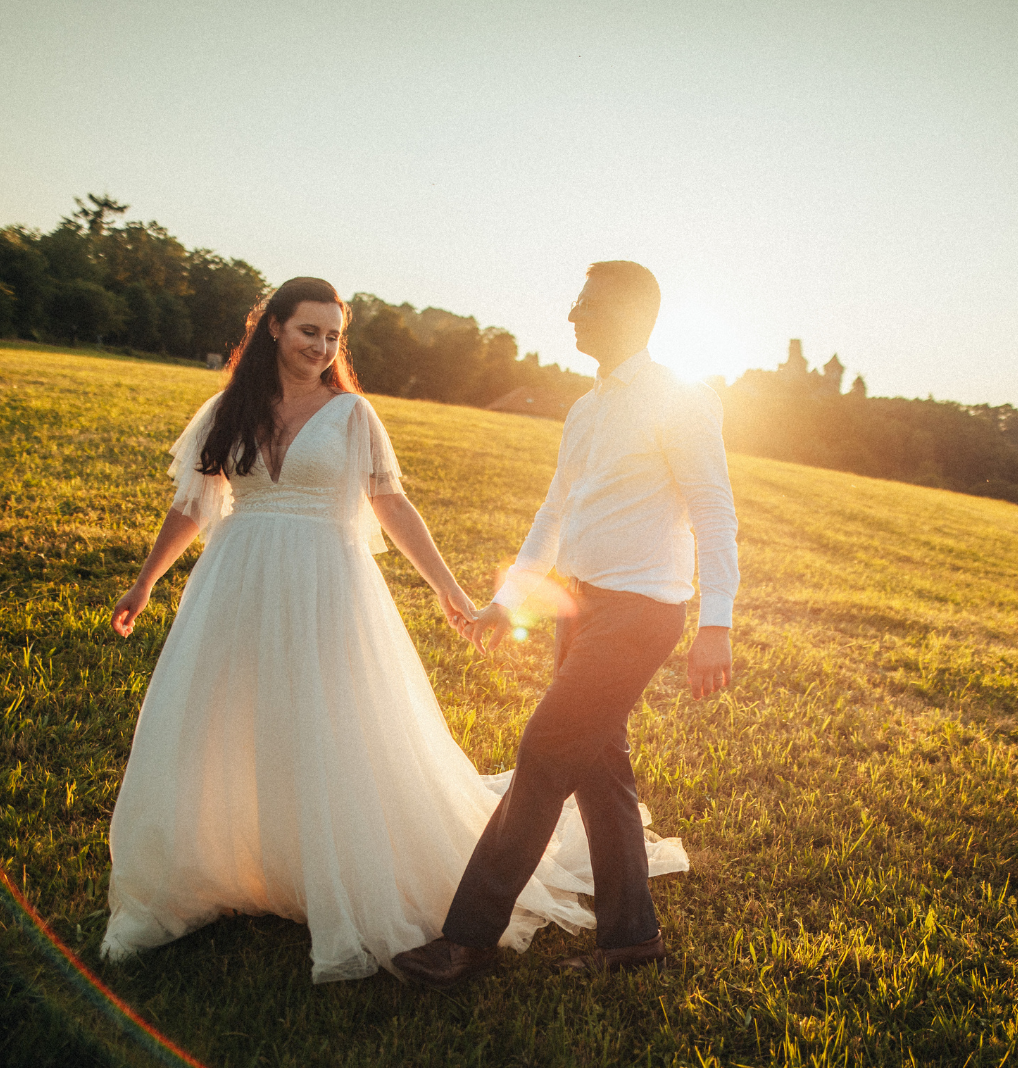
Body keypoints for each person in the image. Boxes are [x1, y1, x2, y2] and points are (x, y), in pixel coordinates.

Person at [101, 276, 688, 983]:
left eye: (333, 336)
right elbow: (193, 504)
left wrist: (454, 593)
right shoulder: (228, 410)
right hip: (236, 586)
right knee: (228, 722)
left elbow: (393, 506)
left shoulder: (352, 416)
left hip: (326, 589)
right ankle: (234, 864)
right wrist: (145, 581)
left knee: (330, 726)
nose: (321, 346)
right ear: (274, 330)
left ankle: (339, 874)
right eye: (308, 331)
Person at [394, 261, 739, 987]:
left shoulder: (682, 399)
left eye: (587, 302)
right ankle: (632, 937)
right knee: (597, 767)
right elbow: (555, 511)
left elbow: (713, 510)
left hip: (643, 610)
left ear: (632, 314)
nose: (572, 312)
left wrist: (717, 626)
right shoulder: (585, 410)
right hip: (581, 609)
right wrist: (509, 602)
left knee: (545, 751)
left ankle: (466, 939)